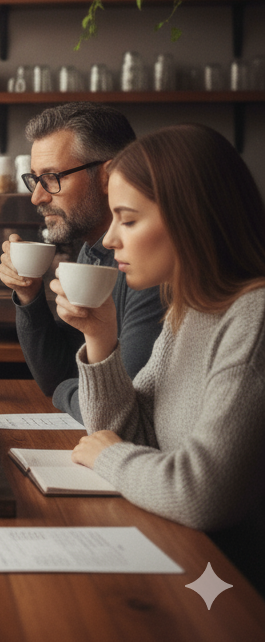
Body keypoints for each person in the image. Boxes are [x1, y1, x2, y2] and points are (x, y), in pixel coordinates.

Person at [60, 124, 265, 591]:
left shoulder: (254, 318)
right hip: (189, 562)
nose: (110, 239)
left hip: (235, 591)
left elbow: (203, 493)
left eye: (128, 220)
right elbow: (132, 431)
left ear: (193, 217)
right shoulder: (191, 310)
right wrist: (100, 336)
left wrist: (110, 458)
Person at [0, 103, 162, 422]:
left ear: (108, 176)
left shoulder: (152, 266)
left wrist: (66, 392)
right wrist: (30, 295)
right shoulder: (92, 251)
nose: (37, 197)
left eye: (52, 178)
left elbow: (121, 402)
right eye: (35, 180)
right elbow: (58, 373)